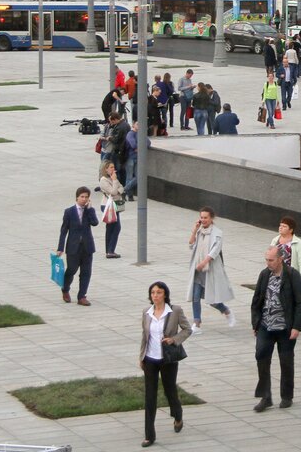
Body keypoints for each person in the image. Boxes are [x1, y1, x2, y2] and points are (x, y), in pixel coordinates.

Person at [250, 245, 301, 412]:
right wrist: (256, 323)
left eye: (271, 260)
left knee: (286, 362)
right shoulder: (264, 274)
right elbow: (257, 300)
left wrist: (296, 326)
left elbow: (300, 303)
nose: (268, 263)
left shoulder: (292, 275)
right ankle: (265, 397)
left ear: (280, 259)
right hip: (266, 326)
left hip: (285, 328)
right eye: (266, 260)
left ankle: (287, 396)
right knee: (261, 356)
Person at [138, 281, 191, 447]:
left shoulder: (174, 311)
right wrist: (141, 357)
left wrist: (174, 340)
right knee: (150, 397)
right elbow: (145, 336)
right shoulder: (146, 312)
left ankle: (178, 415)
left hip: (167, 359)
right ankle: (149, 435)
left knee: (170, 391)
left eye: (159, 292)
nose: (155, 295)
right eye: (153, 292)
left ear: (165, 295)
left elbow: (187, 329)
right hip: (150, 359)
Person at [185, 207, 236, 332]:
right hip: (197, 270)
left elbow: (215, 251)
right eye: (201, 217)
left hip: (210, 270)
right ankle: (197, 322)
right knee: (195, 296)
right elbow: (191, 244)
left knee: (211, 300)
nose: (203, 220)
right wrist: (194, 230)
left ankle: (226, 311)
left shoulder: (217, 233)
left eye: (205, 217)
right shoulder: (199, 231)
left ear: (211, 218)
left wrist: (204, 263)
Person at [54, 186, 99, 306]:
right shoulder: (69, 212)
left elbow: (95, 223)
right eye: (82, 197)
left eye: (86, 197)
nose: (84, 199)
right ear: (77, 198)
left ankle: (82, 296)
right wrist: (60, 248)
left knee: (86, 272)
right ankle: (65, 289)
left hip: (87, 247)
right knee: (71, 270)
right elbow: (64, 230)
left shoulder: (90, 210)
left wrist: (89, 210)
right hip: (73, 248)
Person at [97, 159, 125, 259]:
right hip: (108, 205)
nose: (113, 169)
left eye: (114, 167)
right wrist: (114, 181)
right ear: (106, 169)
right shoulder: (104, 180)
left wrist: (116, 184)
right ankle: (111, 250)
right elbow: (113, 192)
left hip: (115, 204)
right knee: (116, 227)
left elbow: (121, 188)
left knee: (110, 227)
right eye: (111, 168)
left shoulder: (113, 178)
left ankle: (109, 250)